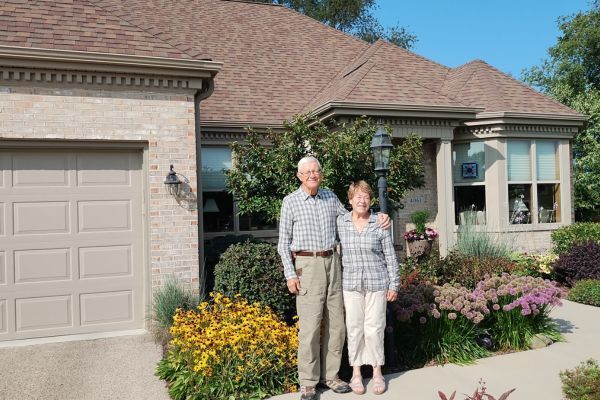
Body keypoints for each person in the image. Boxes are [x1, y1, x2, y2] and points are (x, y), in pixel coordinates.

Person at [278, 157, 389, 400]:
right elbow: (282, 244)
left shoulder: (330, 197)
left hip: (334, 263)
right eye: (307, 172)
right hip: (307, 265)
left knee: (337, 325)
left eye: (316, 170)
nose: (312, 175)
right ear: (299, 176)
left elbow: (355, 215)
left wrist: (380, 216)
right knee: (309, 327)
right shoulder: (291, 202)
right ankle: (308, 381)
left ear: (321, 173)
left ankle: (331, 376)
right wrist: (289, 274)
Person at [336, 181, 399, 395]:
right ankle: (356, 373)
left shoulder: (379, 223)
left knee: (374, 328)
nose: (362, 201)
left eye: (366, 197)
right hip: (351, 284)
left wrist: (394, 284)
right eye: (357, 197)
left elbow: (390, 256)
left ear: (370, 200)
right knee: (354, 328)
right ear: (350, 200)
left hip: (376, 283)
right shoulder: (341, 222)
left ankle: (377, 371)